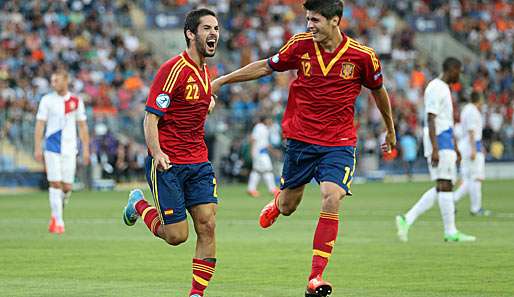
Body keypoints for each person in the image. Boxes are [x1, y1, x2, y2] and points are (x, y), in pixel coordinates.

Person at [212, 1, 396, 296]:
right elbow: (265, 66)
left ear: (335, 21)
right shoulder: (299, 46)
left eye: (316, 20)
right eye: (308, 19)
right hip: (301, 140)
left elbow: (378, 91)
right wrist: (222, 80)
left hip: (339, 142)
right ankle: (276, 203)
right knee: (288, 207)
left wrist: (390, 127)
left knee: (331, 196)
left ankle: (315, 277)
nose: (309, 25)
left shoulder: (362, 56)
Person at [121, 8, 219, 297]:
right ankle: (139, 204)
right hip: (169, 163)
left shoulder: (204, 72)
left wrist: (207, 104)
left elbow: (190, 106)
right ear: (191, 33)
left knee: (208, 225)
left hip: (198, 161)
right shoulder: (171, 70)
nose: (214, 33)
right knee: (177, 236)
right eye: (206, 28)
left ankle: (196, 294)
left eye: (216, 28)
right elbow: (150, 117)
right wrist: (158, 152)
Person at [395, 57, 476, 243]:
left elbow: (446, 120)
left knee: (443, 185)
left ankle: (407, 219)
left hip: (445, 138)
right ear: (452, 69)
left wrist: (455, 146)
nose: (460, 75)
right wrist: (436, 148)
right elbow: (431, 118)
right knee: (445, 184)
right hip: (439, 140)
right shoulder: (435, 87)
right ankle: (450, 231)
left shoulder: (444, 88)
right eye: (459, 71)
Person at [34, 70, 90, 234]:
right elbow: (40, 124)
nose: (54, 83)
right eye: (52, 81)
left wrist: (86, 149)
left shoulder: (75, 101)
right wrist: (38, 146)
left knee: (66, 187)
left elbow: (82, 126)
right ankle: (58, 221)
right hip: (52, 147)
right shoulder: (47, 100)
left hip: (70, 148)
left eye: (56, 80)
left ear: (66, 80)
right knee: (55, 183)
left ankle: (57, 212)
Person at [453, 92, 490, 216]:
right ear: (479, 100)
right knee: (476, 178)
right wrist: (474, 149)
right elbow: (471, 131)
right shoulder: (473, 111)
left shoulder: (466, 110)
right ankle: (476, 208)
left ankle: (452, 200)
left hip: (467, 145)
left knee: (469, 180)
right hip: (471, 146)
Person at [247, 115, 279, 198]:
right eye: (269, 119)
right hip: (259, 153)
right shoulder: (259, 127)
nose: (270, 121)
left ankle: (251, 189)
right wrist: (252, 151)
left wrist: (273, 151)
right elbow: (253, 139)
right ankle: (272, 189)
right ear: (265, 120)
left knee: (257, 171)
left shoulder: (264, 128)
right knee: (268, 170)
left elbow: (266, 143)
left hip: (261, 152)